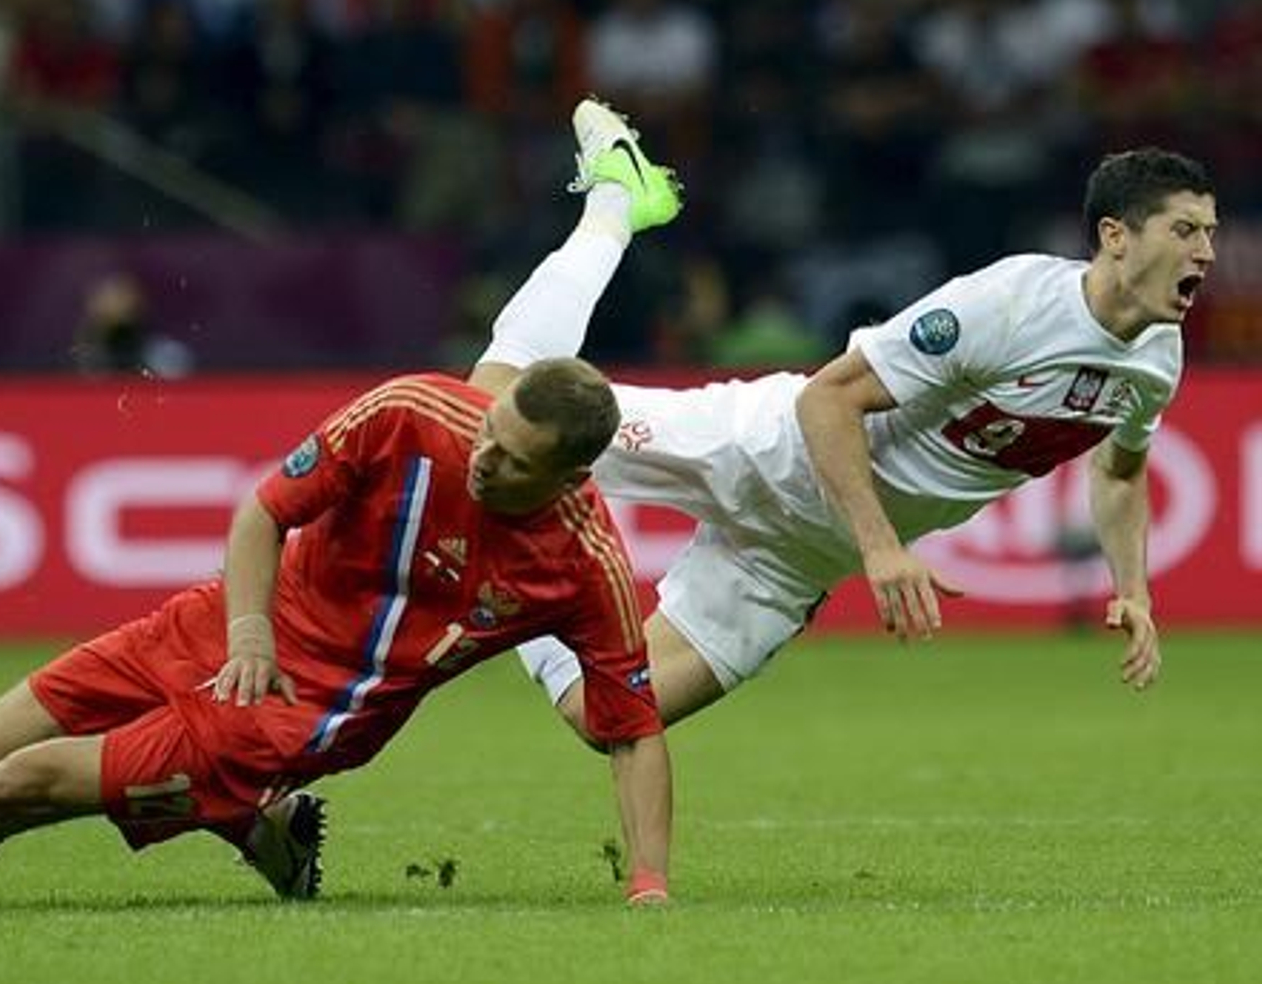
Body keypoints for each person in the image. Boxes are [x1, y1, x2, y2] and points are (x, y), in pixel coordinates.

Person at [0, 357, 673, 911]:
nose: (484, 460)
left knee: (10, 789)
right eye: (489, 435)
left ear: (571, 477)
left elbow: (631, 725)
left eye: (512, 462)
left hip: (306, 716)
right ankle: (260, 827)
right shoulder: (415, 412)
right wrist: (246, 629)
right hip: (233, 627)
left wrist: (647, 884)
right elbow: (260, 514)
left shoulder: (583, 566)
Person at [478, 98, 1211, 736]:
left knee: (606, 714)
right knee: (488, 404)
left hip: (797, 561)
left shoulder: (1156, 359)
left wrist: (1133, 590)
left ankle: (513, 586)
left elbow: (1120, 467)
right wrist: (882, 548)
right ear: (1116, 236)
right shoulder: (1010, 305)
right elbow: (827, 398)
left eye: (1209, 232)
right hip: (768, 450)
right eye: (1184, 231)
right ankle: (616, 198)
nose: (1205, 253)